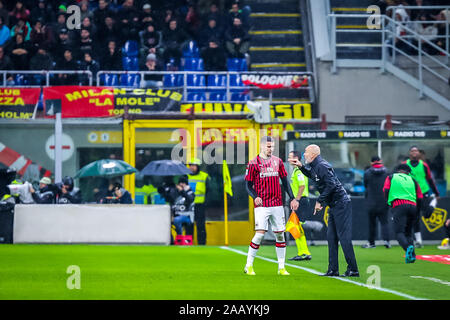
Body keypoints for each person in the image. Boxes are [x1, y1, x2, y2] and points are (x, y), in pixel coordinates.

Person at [289, 144, 359, 277]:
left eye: (306, 152)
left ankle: (353, 269)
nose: (304, 154)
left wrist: (320, 200)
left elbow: (331, 184)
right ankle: (333, 270)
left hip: (341, 204)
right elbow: (311, 175)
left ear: (313, 154)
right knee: (331, 237)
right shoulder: (315, 166)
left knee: (343, 238)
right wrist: (301, 166)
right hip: (334, 204)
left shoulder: (321, 165)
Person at [244, 136, 299, 276]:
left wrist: (292, 198)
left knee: (280, 234)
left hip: (277, 204)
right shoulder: (253, 163)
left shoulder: (278, 162)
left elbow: (285, 182)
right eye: (268, 146)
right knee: (259, 234)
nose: (271, 149)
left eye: (272, 146)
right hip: (262, 204)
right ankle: (248, 265)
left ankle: (281, 267)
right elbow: (248, 185)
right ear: (262, 146)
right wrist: (255, 196)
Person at [383, 164, 423, 263]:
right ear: (408, 172)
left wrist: (389, 202)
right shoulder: (413, 180)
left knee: (399, 233)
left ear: (398, 170)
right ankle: (412, 256)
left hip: (399, 205)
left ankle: (407, 247)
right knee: (408, 233)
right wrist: (418, 210)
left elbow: (386, 190)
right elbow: (420, 196)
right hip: (413, 206)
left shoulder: (391, 177)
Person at [404, 146, 440, 248]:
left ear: (419, 153)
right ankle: (419, 241)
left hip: (423, 192)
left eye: (416, 151)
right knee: (415, 217)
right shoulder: (404, 165)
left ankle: (434, 201)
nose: (414, 152)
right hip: (411, 194)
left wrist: (436, 193)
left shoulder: (424, 165)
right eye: (412, 151)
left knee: (427, 214)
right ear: (409, 153)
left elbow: (430, 180)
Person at [287, 150, 312, 261]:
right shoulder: (296, 170)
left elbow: (301, 186)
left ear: (296, 158)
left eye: (290, 157)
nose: (288, 160)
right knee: (295, 227)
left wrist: (296, 200)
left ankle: (304, 252)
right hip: (299, 201)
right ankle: (302, 252)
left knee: (297, 227)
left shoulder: (299, 171)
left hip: (301, 201)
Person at [362, 156, 391, 249]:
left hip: (371, 201)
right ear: (380, 161)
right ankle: (387, 241)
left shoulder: (367, 173)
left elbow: (366, 185)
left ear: (371, 162)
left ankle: (371, 243)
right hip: (384, 200)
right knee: (384, 222)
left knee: (372, 223)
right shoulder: (387, 172)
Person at [187, 158, 210, 245]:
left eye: (193, 165)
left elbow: (208, 191)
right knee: (189, 225)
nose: (191, 167)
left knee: (200, 225)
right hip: (188, 205)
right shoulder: (185, 176)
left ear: (198, 166)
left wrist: (206, 202)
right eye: (190, 165)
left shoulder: (204, 176)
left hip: (200, 205)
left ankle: (202, 243)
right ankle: (188, 242)